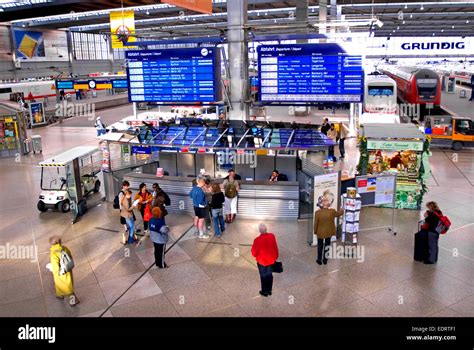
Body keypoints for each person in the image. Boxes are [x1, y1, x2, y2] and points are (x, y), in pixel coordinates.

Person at [49, 236, 79, 306]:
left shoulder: (54, 254)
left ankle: (74, 300)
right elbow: (70, 255)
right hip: (67, 271)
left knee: (66, 287)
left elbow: (55, 266)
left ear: (52, 244)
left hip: (60, 273)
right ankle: (60, 294)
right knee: (67, 284)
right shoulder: (65, 248)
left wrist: (54, 271)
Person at [313, 194, 344, 265]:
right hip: (329, 232)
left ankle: (319, 259)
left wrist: (315, 231)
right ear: (328, 204)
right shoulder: (332, 211)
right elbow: (339, 214)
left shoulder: (317, 213)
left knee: (320, 246)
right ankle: (325, 259)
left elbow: (315, 224)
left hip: (320, 232)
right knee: (327, 245)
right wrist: (342, 210)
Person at [251, 223, 279, 297]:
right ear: (266, 229)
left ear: (259, 231)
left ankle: (264, 291)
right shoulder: (272, 236)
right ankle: (269, 290)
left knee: (263, 276)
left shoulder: (257, 240)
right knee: (269, 275)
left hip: (261, 262)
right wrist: (275, 256)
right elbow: (275, 247)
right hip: (271, 260)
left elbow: (254, 253)